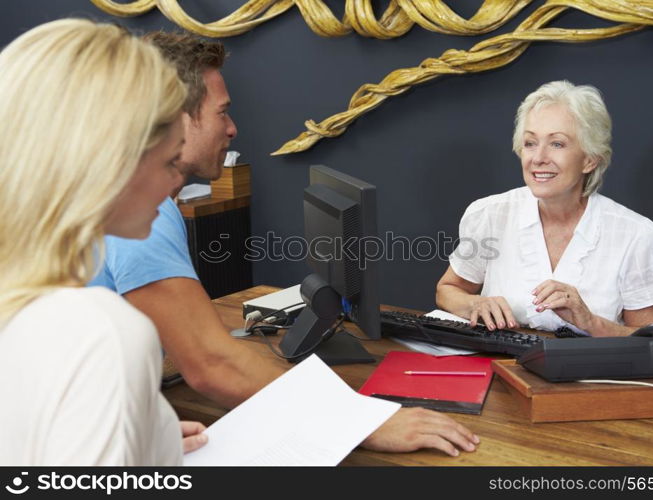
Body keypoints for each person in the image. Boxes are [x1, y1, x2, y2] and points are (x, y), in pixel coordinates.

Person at [91, 31, 480, 457]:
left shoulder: (108, 186)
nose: (233, 128)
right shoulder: (141, 204)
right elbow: (210, 364)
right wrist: (360, 420)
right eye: (222, 113)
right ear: (178, 117)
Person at [0, 19, 208, 464]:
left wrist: (153, 435)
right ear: (110, 163)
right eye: (171, 161)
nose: (176, 182)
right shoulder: (100, 334)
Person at [437, 80, 653, 338]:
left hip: (590, 374)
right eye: (530, 143)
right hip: (500, 367)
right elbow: (447, 290)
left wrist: (590, 322)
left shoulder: (637, 235)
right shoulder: (490, 214)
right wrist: (474, 303)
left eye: (557, 144)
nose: (538, 158)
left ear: (590, 159)